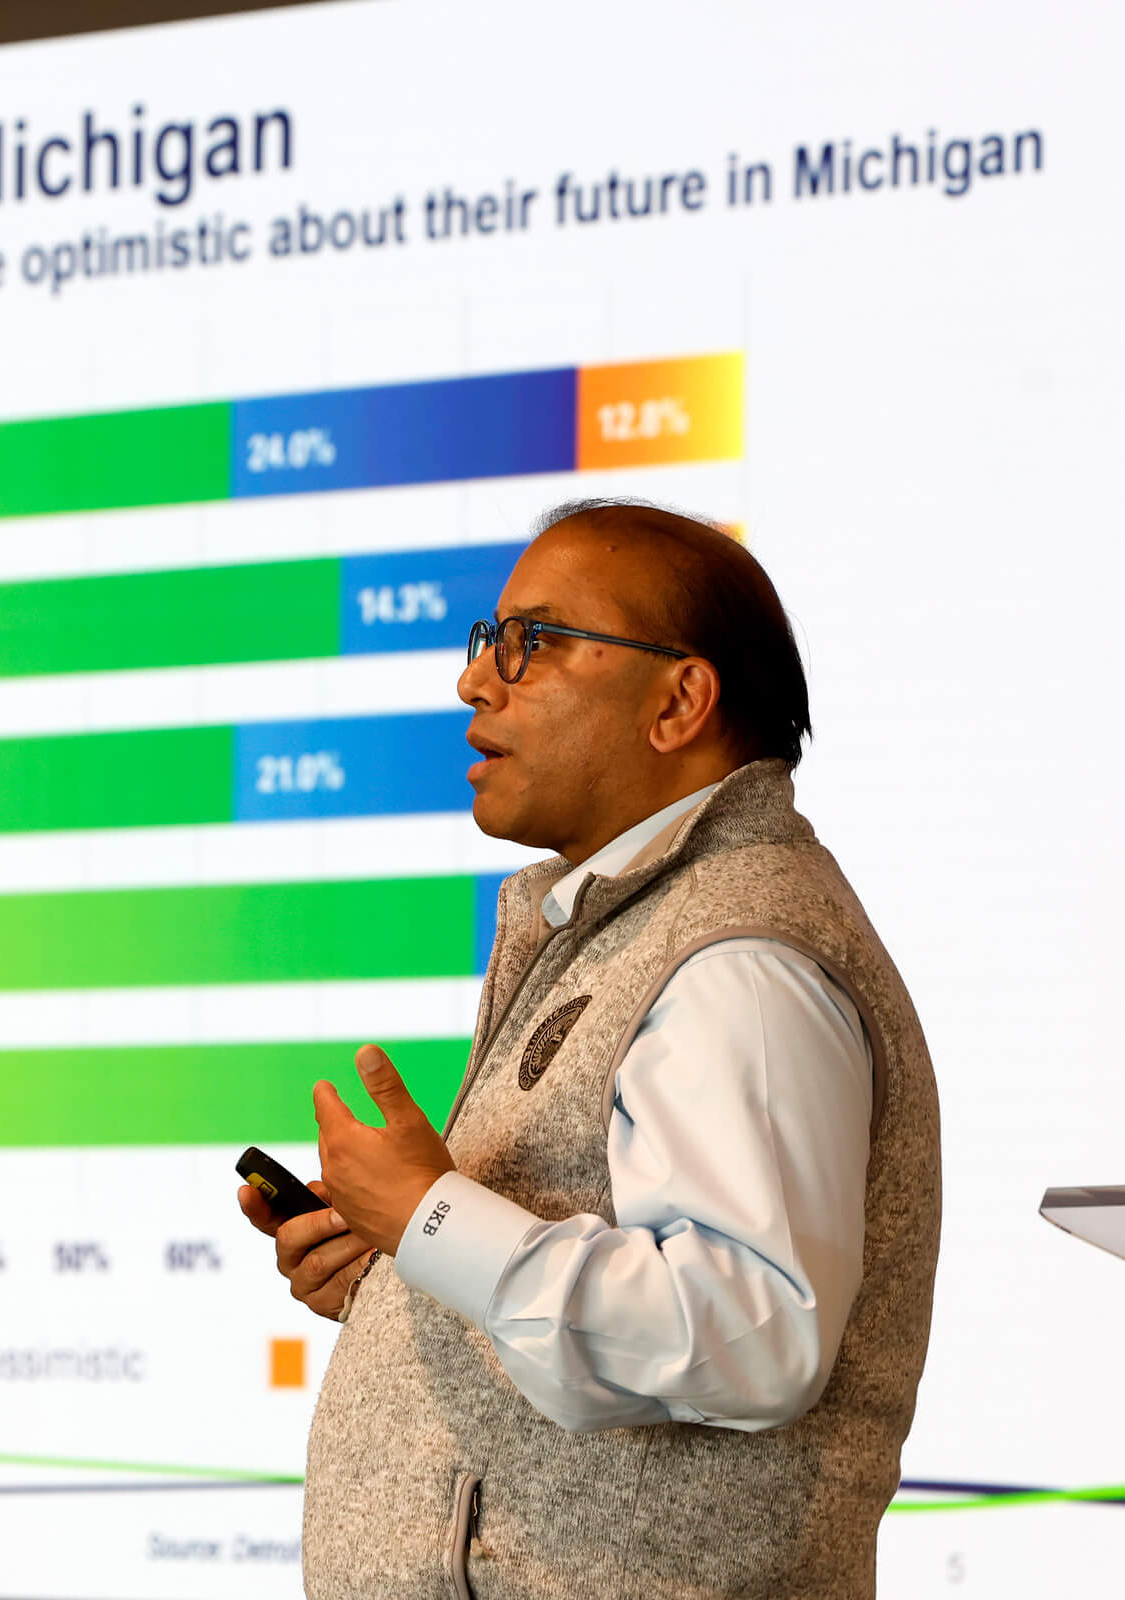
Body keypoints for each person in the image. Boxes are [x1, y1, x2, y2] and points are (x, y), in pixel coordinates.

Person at [239, 500, 939, 1599]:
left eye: (535, 642)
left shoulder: (738, 959)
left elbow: (749, 1334)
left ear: (679, 702)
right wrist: (403, 1270)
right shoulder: (632, 926)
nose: (475, 681)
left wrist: (433, 1219)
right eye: (490, 639)